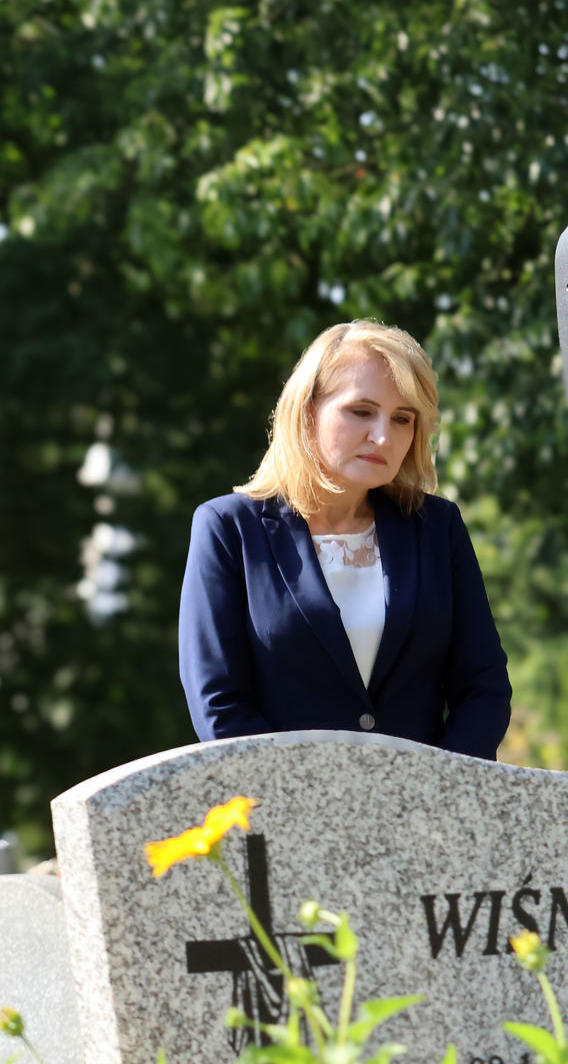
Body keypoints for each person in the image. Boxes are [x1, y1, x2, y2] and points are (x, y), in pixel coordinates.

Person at [178, 318, 509, 758]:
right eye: (361, 411)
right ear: (307, 410)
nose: (383, 436)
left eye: (403, 418)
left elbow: (484, 687)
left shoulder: (438, 526)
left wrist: (439, 788)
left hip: (425, 797)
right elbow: (218, 703)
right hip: (281, 797)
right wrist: (313, 794)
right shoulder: (228, 528)